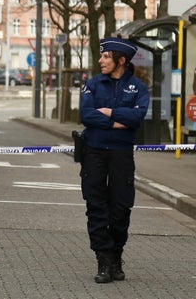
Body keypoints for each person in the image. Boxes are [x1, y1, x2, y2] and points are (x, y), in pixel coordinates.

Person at [79, 37, 149, 284]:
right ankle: (103, 259)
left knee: (120, 208)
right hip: (94, 152)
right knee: (96, 207)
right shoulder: (93, 85)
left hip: (121, 154)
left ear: (121, 60)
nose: (100, 61)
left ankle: (116, 255)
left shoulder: (138, 87)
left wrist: (109, 112)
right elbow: (86, 115)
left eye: (106, 56)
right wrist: (118, 121)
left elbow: (137, 118)